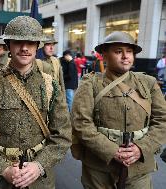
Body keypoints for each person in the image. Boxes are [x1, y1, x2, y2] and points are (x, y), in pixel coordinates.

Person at [0, 16, 71, 189]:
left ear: (38, 45)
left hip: (39, 180)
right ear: (8, 45)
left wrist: (39, 166)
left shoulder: (50, 84)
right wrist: (3, 169)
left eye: (30, 43)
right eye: (17, 42)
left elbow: (63, 135)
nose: (24, 48)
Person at [71, 31, 166, 189]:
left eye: (129, 51)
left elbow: (162, 120)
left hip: (139, 169)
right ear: (104, 56)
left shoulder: (148, 83)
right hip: (99, 168)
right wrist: (112, 150)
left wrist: (141, 148)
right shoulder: (90, 84)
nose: (125, 56)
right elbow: (80, 123)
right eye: (118, 51)